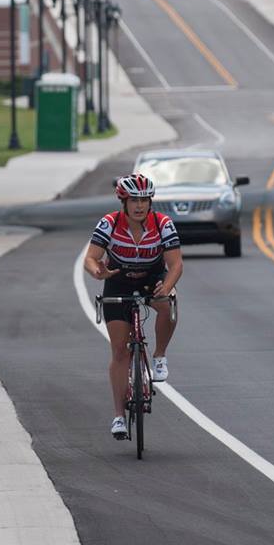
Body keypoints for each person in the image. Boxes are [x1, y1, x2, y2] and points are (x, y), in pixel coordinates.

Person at [84, 173, 183, 440]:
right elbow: (91, 259)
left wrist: (168, 284)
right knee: (119, 351)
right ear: (123, 202)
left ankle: (159, 356)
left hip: (153, 277)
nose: (140, 206)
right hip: (118, 281)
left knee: (168, 301)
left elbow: (175, 265)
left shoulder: (163, 224)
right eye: (134, 200)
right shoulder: (109, 224)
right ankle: (118, 417)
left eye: (145, 200)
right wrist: (98, 273)